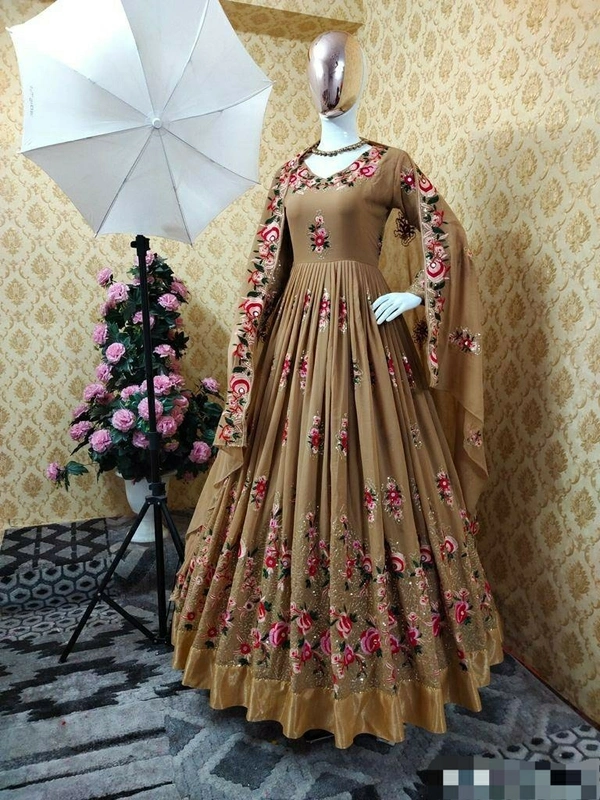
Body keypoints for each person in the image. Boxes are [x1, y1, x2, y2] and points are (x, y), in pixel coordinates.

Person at [170, 30, 504, 748]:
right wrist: (249, 348)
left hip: (371, 349)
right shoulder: (288, 174)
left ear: (362, 76)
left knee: (375, 476)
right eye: (319, 66)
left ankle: (392, 671)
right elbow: (266, 271)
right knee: (286, 481)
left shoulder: (390, 165)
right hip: (294, 351)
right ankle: (275, 666)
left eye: (343, 65)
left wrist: (418, 295)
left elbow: (445, 238)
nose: (331, 77)